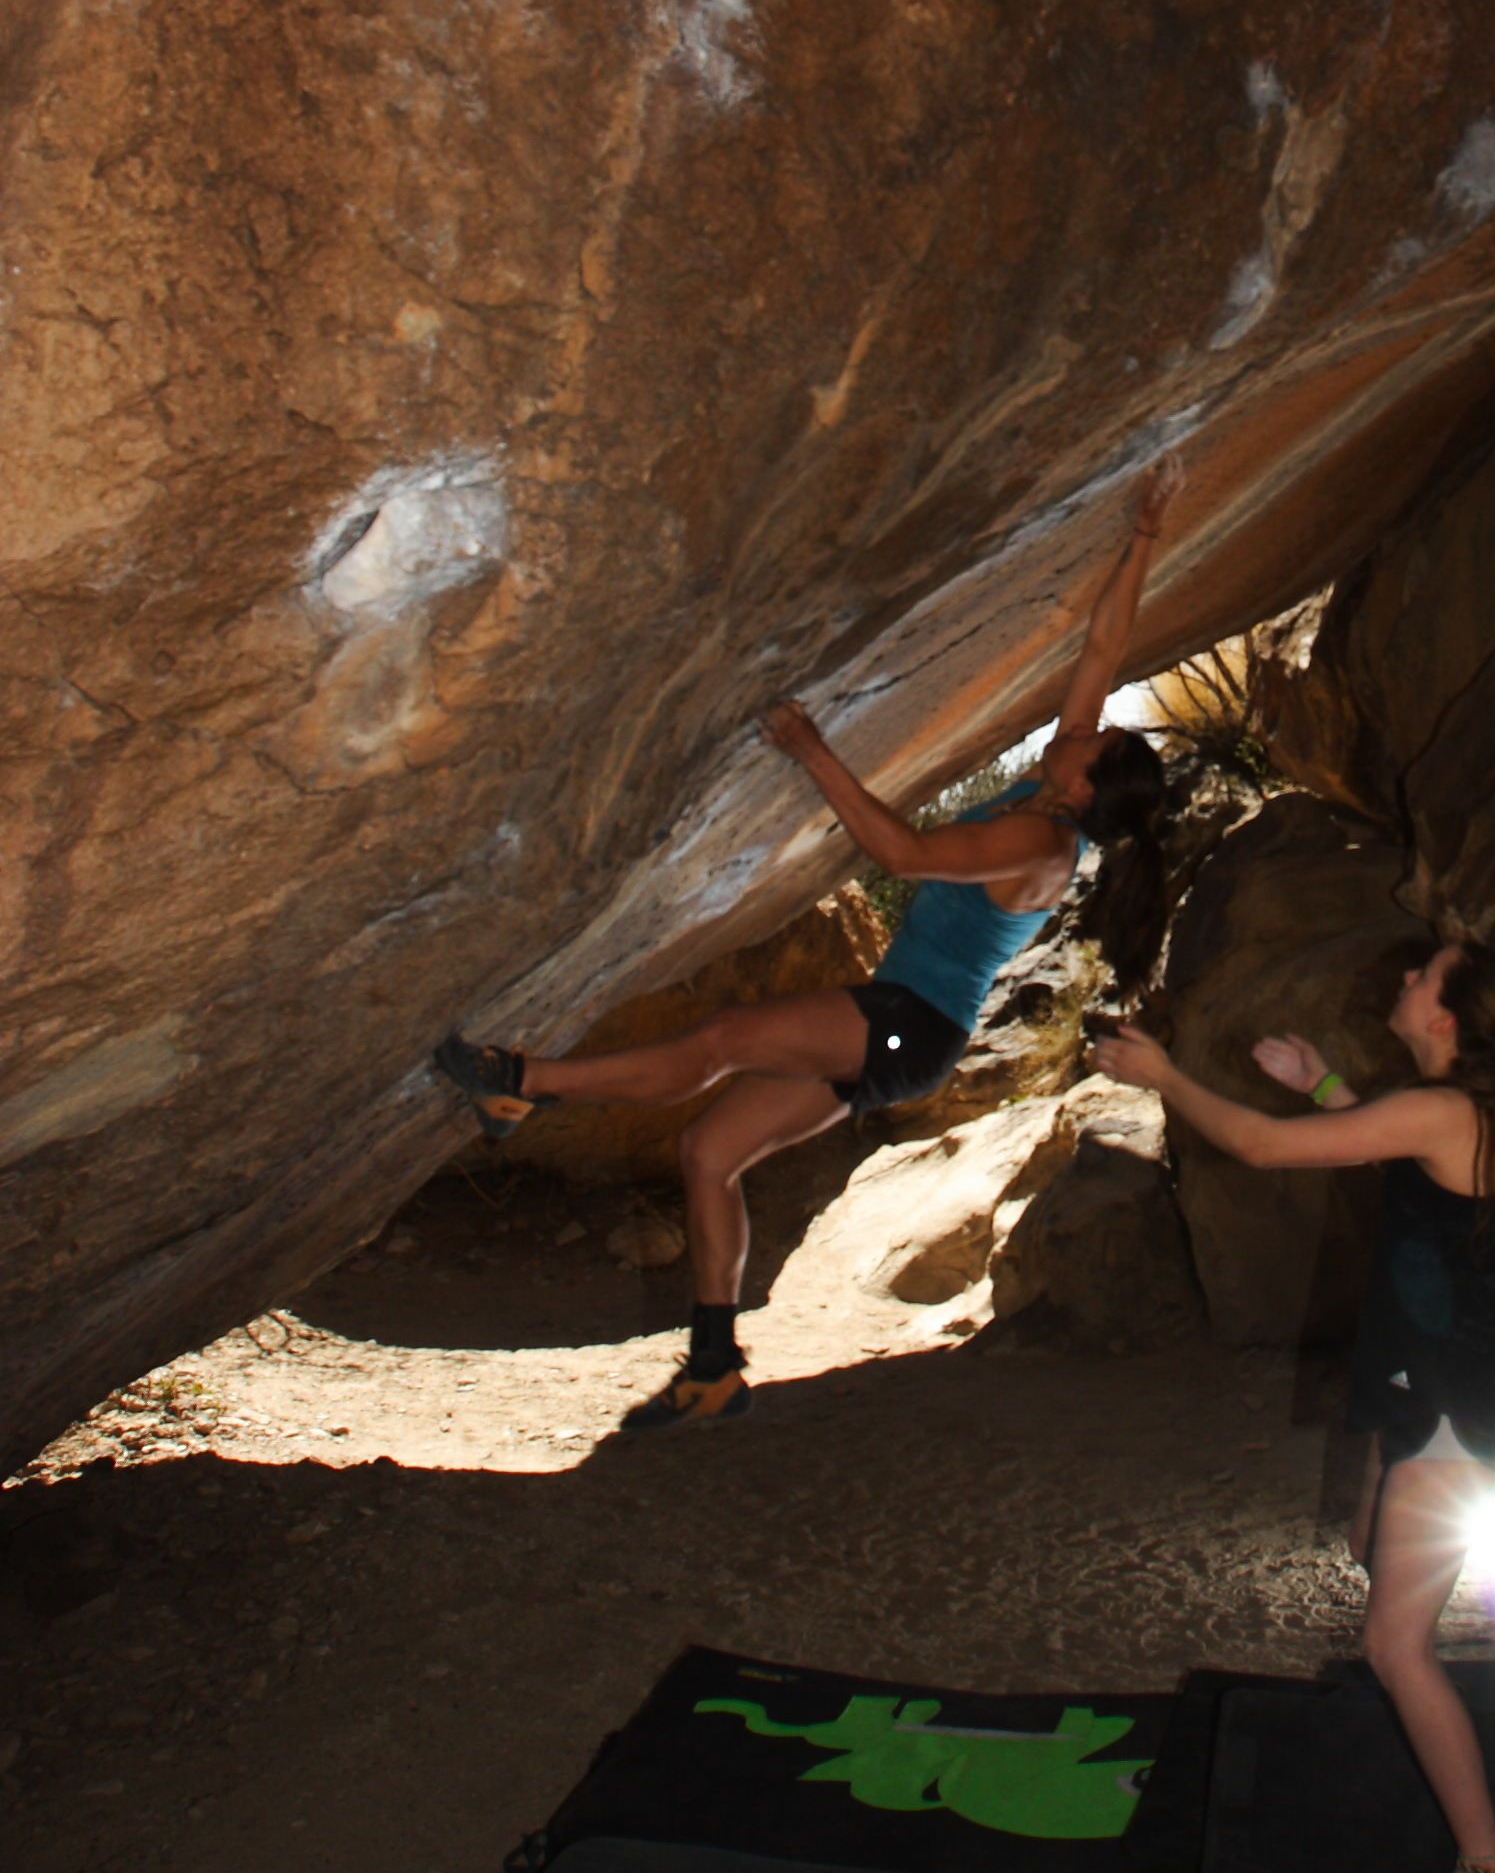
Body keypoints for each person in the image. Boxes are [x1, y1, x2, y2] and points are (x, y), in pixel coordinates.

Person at [434, 463, 1179, 1430]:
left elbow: (903, 853)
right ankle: (713, 1366)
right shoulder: (1057, 791)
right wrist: (1147, 538)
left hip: (912, 1027)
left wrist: (811, 746)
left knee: (725, 1037)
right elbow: (1102, 649)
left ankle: (520, 1079)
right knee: (708, 1153)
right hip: (904, 1033)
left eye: (1097, 742)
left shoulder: (1040, 842)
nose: (1087, 729)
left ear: (1088, 785)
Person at [1092, 937, 1495, 1873]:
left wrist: (1164, 1075)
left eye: (1420, 976)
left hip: (1449, 1409)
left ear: (1443, 1017)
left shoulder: (1447, 1110)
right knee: (1363, 1551)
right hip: (1424, 1390)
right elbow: (1383, 1144)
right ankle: (1415, 1756)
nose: (1401, 978)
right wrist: (1323, 1085)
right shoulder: (1455, 1110)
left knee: (1394, 1643)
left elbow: (1261, 1149)